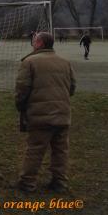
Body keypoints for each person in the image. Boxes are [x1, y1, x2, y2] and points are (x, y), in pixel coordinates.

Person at [15, 32, 76, 192]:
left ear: (40, 43)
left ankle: (27, 182)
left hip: (40, 115)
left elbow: (22, 89)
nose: (33, 43)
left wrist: (21, 106)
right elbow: (72, 87)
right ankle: (59, 182)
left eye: (34, 41)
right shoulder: (65, 62)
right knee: (61, 151)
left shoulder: (29, 62)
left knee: (35, 149)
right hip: (62, 114)